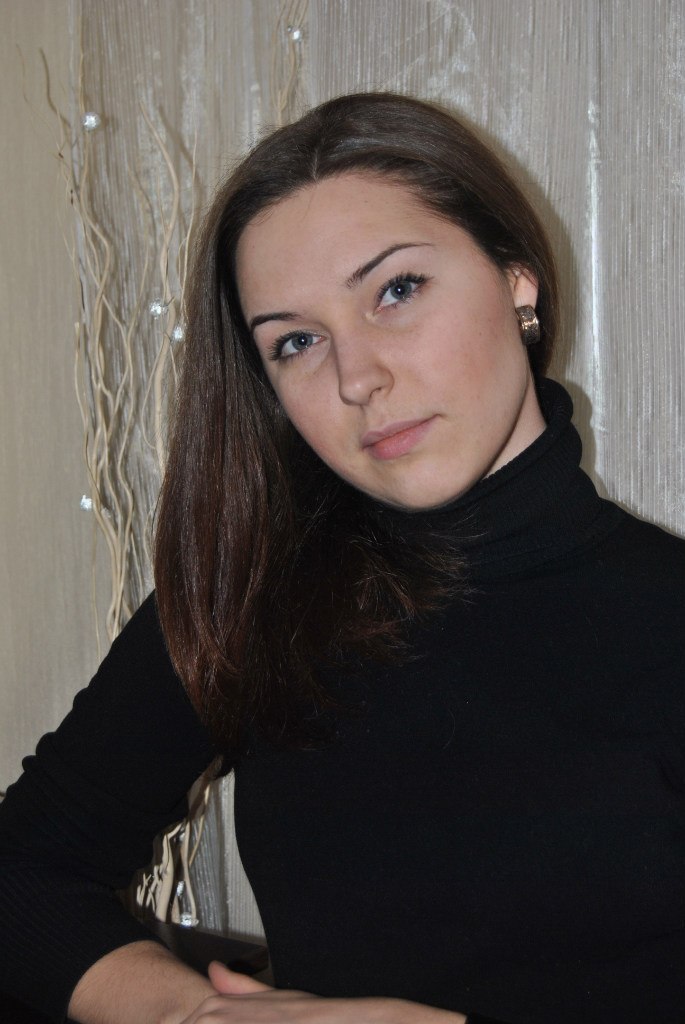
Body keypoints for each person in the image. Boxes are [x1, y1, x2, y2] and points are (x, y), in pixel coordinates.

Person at [1, 91, 684, 1024]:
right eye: (296, 342)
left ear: (516, 281)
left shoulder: (662, 621)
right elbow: (24, 868)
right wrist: (191, 1013)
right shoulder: (255, 603)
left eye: (396, 291)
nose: (357, 378)